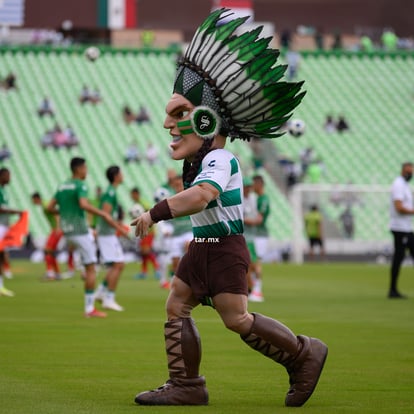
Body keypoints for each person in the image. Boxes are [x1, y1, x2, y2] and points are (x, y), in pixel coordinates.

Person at [131, 9, 327, 407]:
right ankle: (186, 385)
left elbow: (201, 196)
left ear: (207, 121)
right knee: (176, 305)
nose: (168, 124)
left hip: (223, 246)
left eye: (180, 114)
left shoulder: (221, 160)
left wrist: (154, 212)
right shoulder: (202, 161)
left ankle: (304, 354)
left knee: (236, 318)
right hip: (202, 246)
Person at [47, 157, 128, 317]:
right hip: (80, 230)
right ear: (79, 169)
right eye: (85, 168)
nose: (87, 171)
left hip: (67, 231)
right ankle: (90, 308)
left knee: (95, 266)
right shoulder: (80, 185)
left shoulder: (62, 185)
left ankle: (97, 295)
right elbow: (84, 205)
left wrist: (63, 214)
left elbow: (49, 207)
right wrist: (101, 213)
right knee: (91, 269)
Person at [94, 166, 126, 311]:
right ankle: (109, 299)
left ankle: (101, 293)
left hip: (108, 233)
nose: (122, 175)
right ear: (115, 176)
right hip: (106, 234)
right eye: (120, 173)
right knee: (117, 265)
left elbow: (108, 215)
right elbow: (105, 215)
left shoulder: (111, 192)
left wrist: (117, 225)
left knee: (119, 265)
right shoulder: (110, 192)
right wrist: (119, 228)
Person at [31, 192, 75, 280]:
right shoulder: (45, 204)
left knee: (47, 250)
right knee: (50, 251)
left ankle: (51, 273)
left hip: (57, 230)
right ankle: (56, 273)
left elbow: (57, 214)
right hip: (55, 229)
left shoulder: (46, 205)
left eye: (32, 200)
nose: (32, 202)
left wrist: (58, 228)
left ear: (36, 198)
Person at [388, 162, 414, 299]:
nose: (410, 174)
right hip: (399, 227)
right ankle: (392, 290)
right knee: (399, 257)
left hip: (406, 227)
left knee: (400, 256)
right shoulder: (398, 184)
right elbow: (399, 207)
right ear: (403, 171)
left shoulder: (405, 185)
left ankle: (393, 289)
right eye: (408, 171)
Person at [0, 168, 24, 296]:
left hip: (3, 225)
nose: (10, 178)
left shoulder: (4, 190)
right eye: (8, 175)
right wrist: (15, 212)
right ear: (2, 176)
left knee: (2, 254)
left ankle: (1, 286)